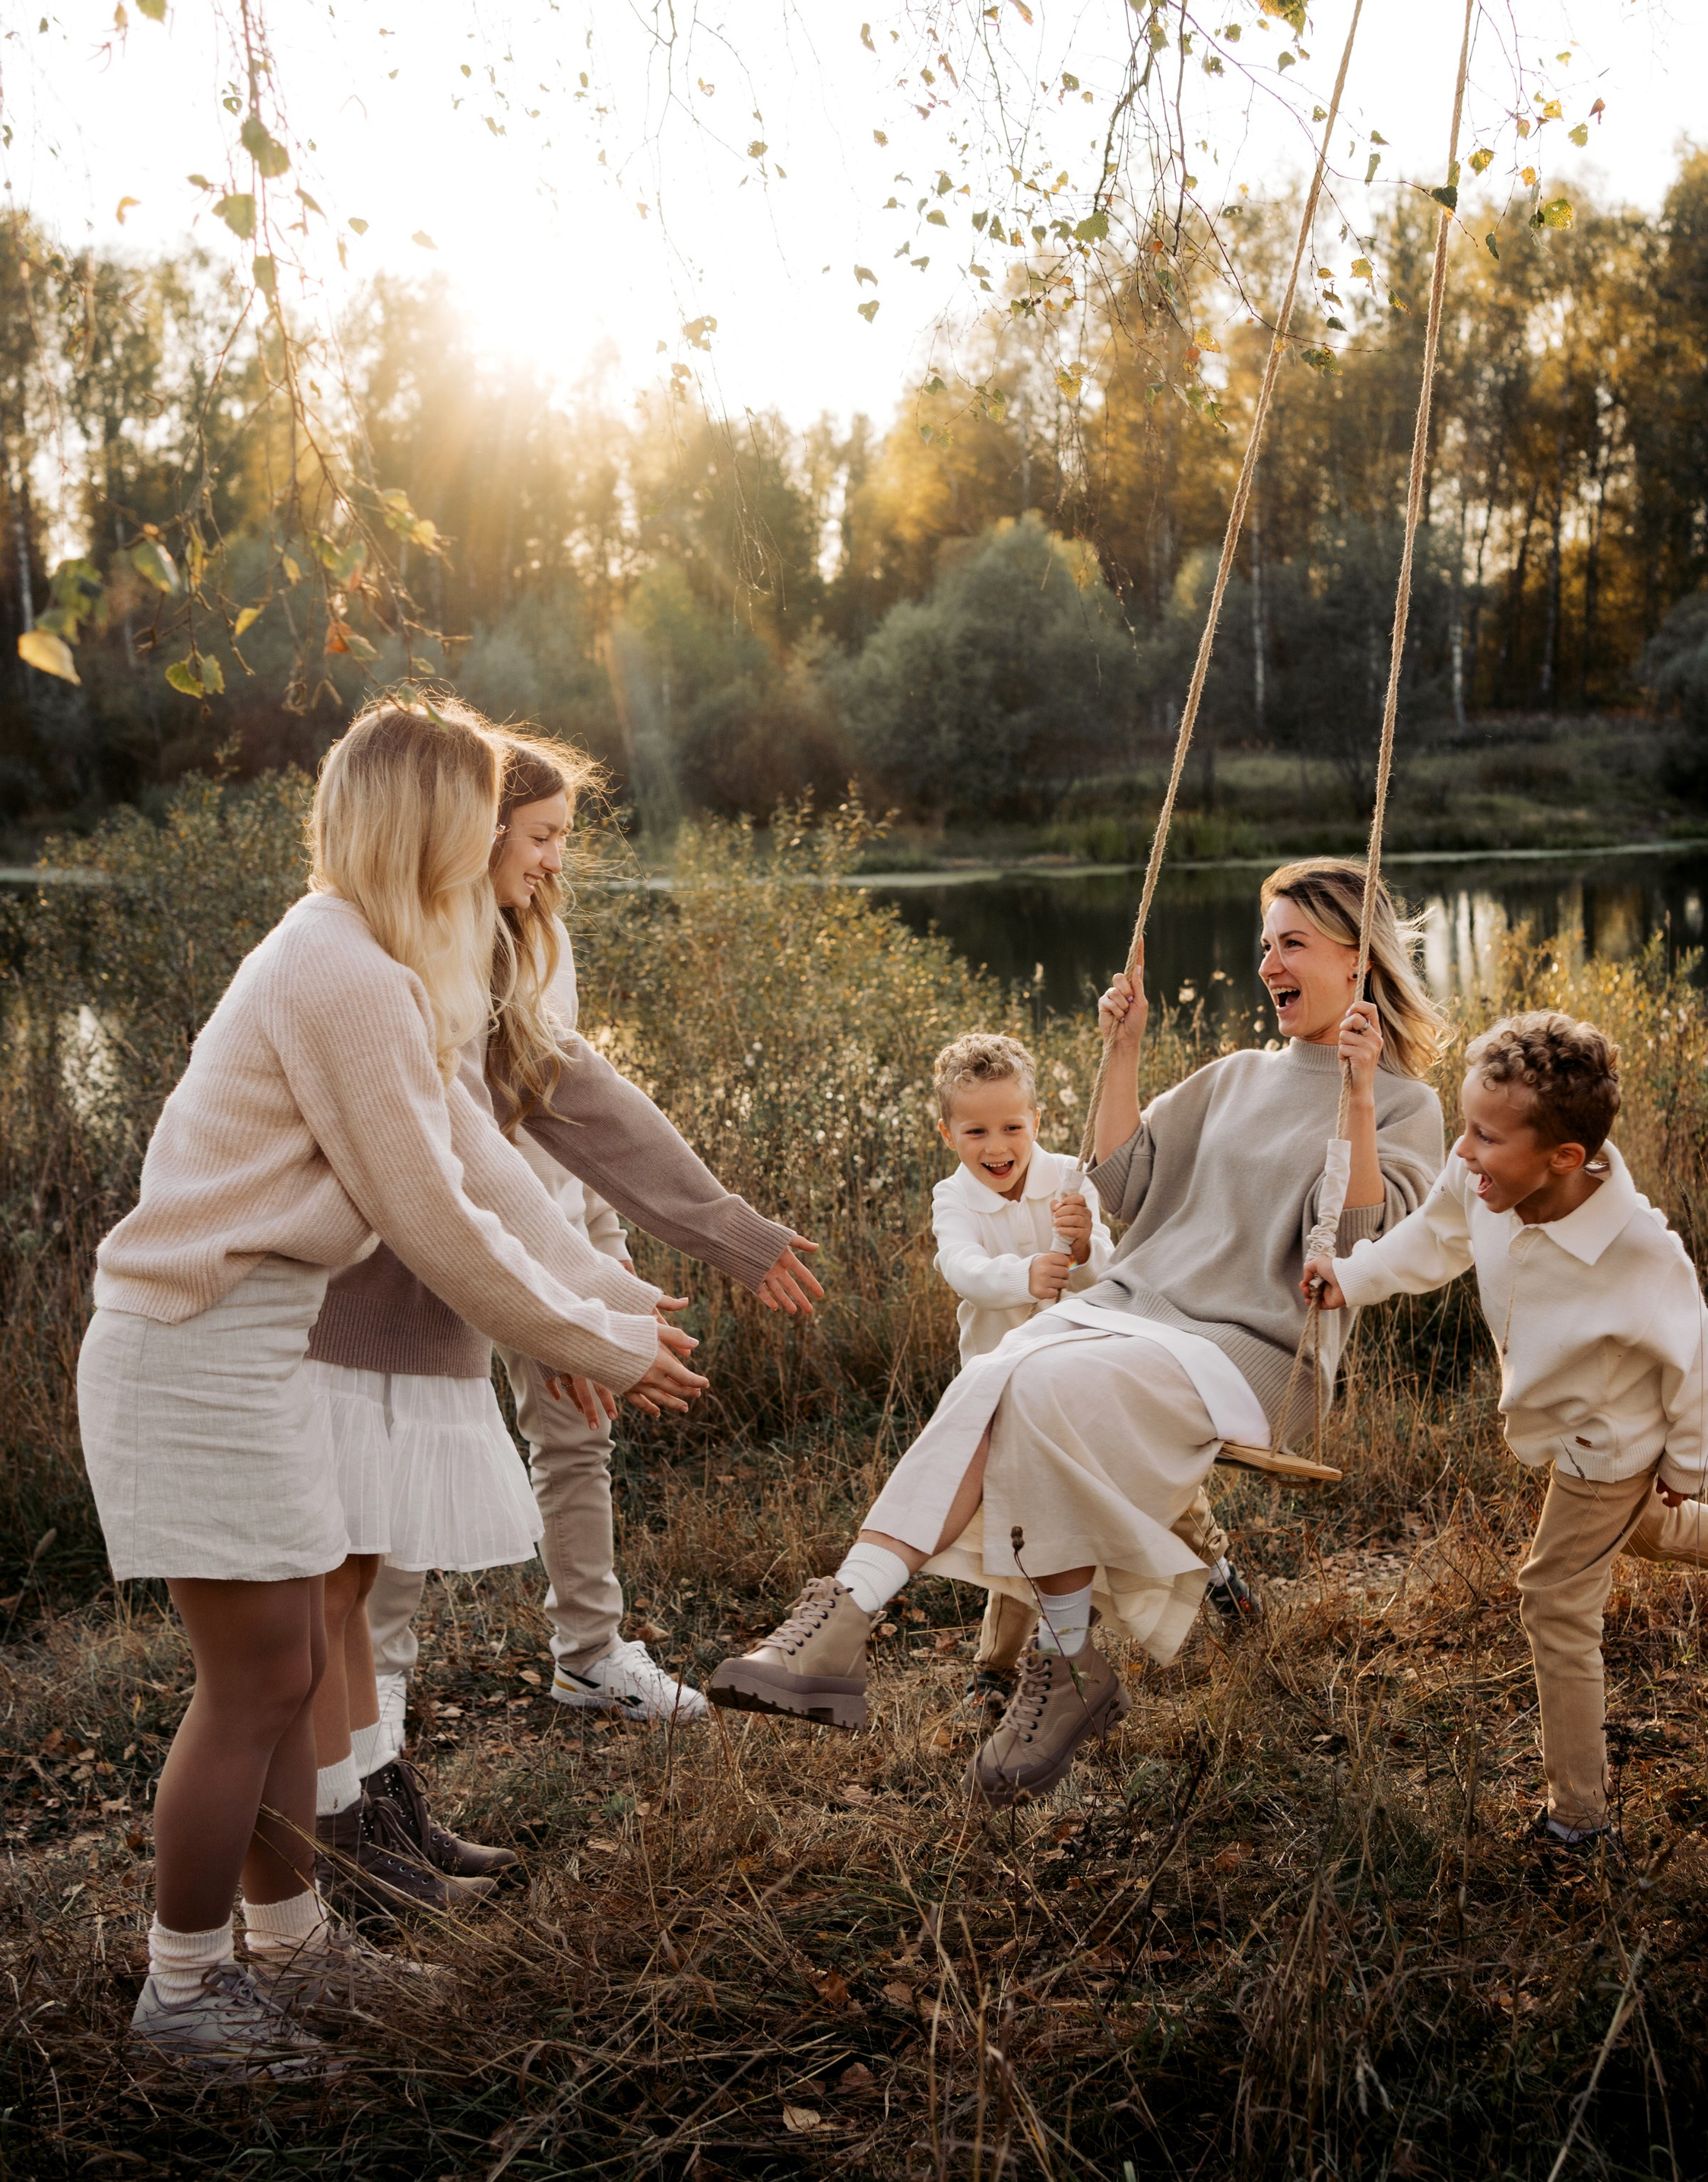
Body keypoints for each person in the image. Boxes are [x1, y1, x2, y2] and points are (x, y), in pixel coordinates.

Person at [75, 697, 703, 2080]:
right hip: (190, 1356)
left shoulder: (376, 960)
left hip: (247, 1348)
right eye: (486, 806)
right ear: (426, 816)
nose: (498, 835)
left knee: (294, 1667)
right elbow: (426, 1215)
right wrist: (590, 1346)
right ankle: (181, 2000)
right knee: (254, 1684)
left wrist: (598, 1299)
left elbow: (479, 1166)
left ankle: (297, 1947)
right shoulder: (340, 972)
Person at [708, 858, 1447, 1797]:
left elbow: (1349, 1251)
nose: (1269, 964)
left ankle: (1058, 1667)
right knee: (997, 1374)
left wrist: (1353, 1095)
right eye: (1265, 945)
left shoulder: (1405, 1106)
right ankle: (851, 1617)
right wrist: (1127, 1048)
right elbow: (1121, 1188)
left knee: (1041, 1381)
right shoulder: (1232, 1078)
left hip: (1251, 1350)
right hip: (1132, 1312)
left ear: (1357, 958)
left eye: (1291, 943)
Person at [306, 731, 820, 1911]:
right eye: (540, 838)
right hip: (405, 1275)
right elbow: (455, 1173)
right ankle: (352, 1800)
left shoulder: (509, 942)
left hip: (523, 1240)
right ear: (470, 831)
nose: (553, 863)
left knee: (465, 1494)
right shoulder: (382, 960)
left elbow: (560, 1096)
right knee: (373, 1536)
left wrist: (655, 1265)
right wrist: (583, 1321)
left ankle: (427, 1775)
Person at [1304, 1007, 1708, 1853]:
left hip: (1613, 1443)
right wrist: (1349, 1278)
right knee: (1642, 1533)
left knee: (1554, 1599)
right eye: (1465, 1128)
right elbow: (1428, 1241)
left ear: (1564, 1157)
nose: (1462, 1154)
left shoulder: (1639, 1250)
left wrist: (1688, 1460)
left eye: (1486, 1138)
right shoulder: (1482, 1184)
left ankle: (1579, 1818)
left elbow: (1696, 1362)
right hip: (1570, 1430)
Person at [928, 1028, 1116, 1718]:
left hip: (1077, 1375)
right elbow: (964, 1271)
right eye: (975, 1130)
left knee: (1132, 1483)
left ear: (1037, 1121)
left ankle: (1215, 1570)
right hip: (1000, 1388)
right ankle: (996, 1665)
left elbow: (1110, 1275)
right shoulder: (955, 1199)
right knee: (1020, 1523)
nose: (996, 1146)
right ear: (948, 1133)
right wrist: (1024, 1274)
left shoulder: (1070, 1184)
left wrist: (1085, 1242)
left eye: (1013, 1125)